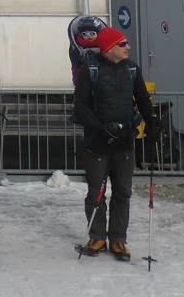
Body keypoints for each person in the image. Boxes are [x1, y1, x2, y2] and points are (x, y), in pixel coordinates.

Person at [72, 27, 160, 260]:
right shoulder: (89, 69)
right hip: (98, 141)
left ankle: (118, 240)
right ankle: (97, 236)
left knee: (123, 191)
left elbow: (142, 97)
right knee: (96, 192)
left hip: (125, 141)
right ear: (110, 47)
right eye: (123, 44)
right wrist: (100, 127)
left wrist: (151, 120)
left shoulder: (131, 68)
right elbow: (80, 105)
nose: (128, 47)